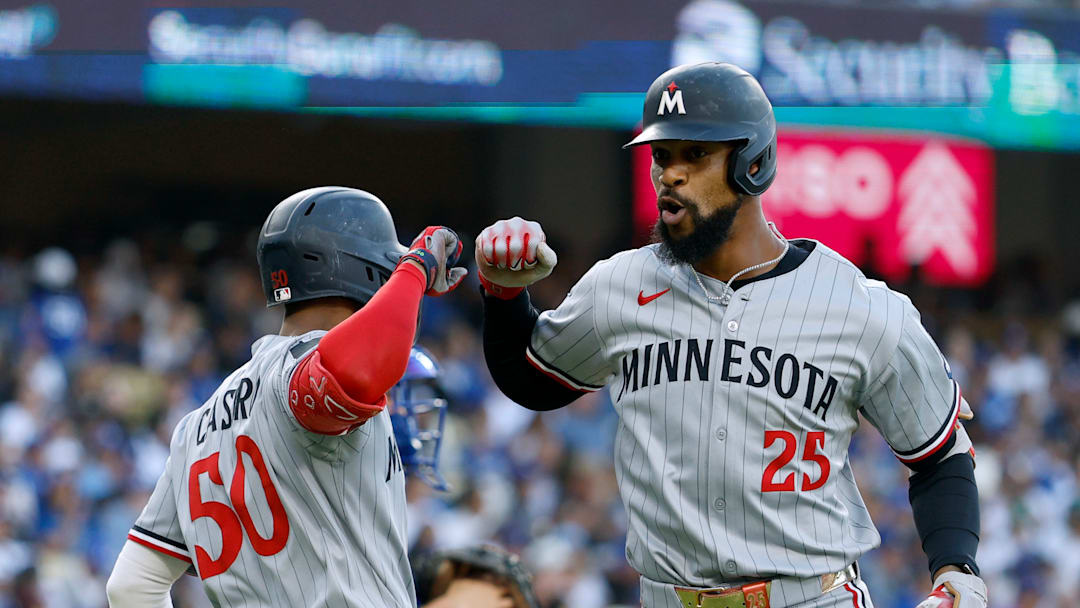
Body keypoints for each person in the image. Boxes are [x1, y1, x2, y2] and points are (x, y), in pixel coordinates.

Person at [474, 63, 987, 608]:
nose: (671, 175)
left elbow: (938, 455)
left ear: (754, 162)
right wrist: (504, 296)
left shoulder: (861, 306)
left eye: (696, 154)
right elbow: (535, 380)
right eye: (662, 156)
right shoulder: (618, 287)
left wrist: (956, 567)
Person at [105, 186, 510, 608]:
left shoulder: (195, 427)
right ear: (365, 268)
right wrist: (415, 270)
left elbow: (132, 586)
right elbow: (348, 371)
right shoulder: (301, 372)